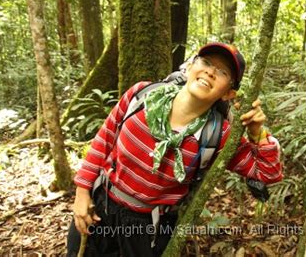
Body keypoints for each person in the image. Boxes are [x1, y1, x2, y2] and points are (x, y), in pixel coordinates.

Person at [67, 42, 283, 256]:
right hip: (101, 205)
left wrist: (257, 133)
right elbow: (104, 140)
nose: (210, 72)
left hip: (149, 227)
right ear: (190, 66)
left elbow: (267, 173)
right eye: (206, 62)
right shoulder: (142, 95)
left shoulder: (218, 133)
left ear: (228, 94)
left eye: (223, 72)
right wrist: (82, 192)